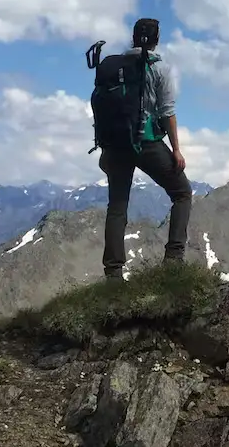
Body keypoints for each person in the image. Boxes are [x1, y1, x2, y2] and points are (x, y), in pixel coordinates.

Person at [86, 17, 191, 278]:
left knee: (117, 206)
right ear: (157, 39)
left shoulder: (114, 66)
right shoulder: (159, 68)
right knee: (182, 193)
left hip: (115, 145)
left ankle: (113, 273)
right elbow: (167, 112)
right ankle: (174, 259)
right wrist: (176, 149)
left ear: (133, 37)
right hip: (146, 143)